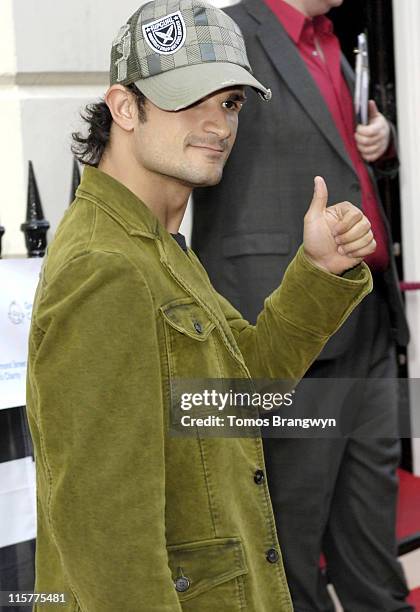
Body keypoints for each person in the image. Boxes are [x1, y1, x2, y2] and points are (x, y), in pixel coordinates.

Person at [26, 0, 376, 610]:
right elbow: (108, 538)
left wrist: (317, 271)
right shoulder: (106, 269)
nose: (219, 124)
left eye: (231, 102)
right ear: (124, 107)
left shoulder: (155, 246)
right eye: (190, 98)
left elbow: (245, 389)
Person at [192, 0, 412, 610]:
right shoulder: (227, 32)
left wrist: (384, 139)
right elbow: (182, 147)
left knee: (371, 531)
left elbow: (342, 159)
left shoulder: (333, 42)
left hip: (365, 315)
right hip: (283, 322)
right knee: (286, 540)